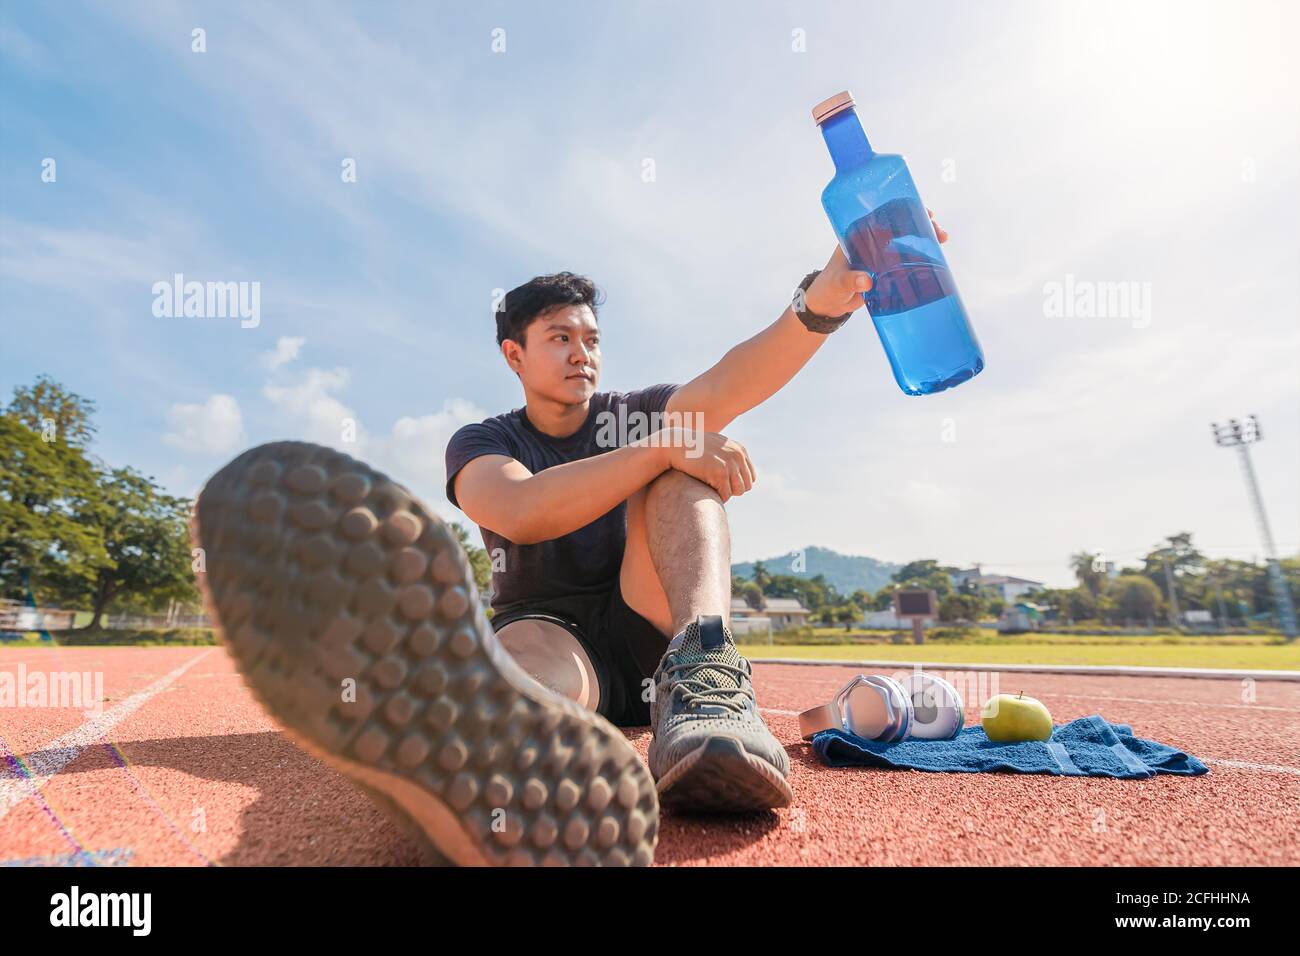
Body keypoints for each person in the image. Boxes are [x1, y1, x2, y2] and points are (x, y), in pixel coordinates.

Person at [192, 217, 948, 867]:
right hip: (550, 632)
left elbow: (729, 383)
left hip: (656, 634)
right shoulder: (484, 439)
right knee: (537, 654)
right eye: (559, 337)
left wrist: (822, 302)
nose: (581, 352)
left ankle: (708, 683)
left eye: (590, 339)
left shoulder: (635, 410)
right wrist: (664, 446)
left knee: (684, 468)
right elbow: (518, 510)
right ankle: (485, 759)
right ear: (513, 355)